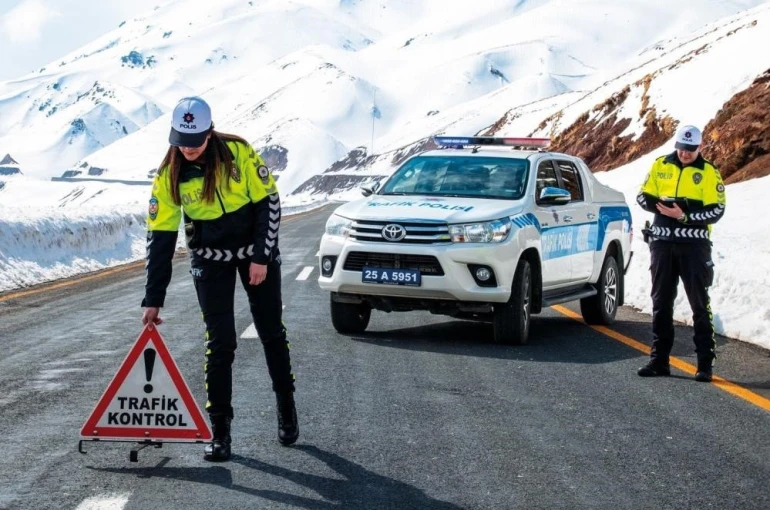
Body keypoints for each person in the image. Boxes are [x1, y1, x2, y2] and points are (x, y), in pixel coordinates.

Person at [140, 96, 298, 461]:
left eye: (195, 141)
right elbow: (160, 239)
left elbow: (269, 204)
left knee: (271, 331)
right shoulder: (169, 176)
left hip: (255, 254)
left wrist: (261, 256)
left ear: (210, 134)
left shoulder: (238, 153)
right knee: (220, 342)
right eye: (181, 140)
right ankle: (220, 432)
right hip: (209, 261)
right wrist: (153, 298)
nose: (189, 149)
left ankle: (286, 407)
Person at [635, 125, 726, 382]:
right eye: (682, 148)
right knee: (661, 302)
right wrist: (660, 207)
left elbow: (717, 210)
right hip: (662, 243)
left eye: (691, 149)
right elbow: (642, 196)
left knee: (699, 303)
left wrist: (684, 216)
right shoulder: (660, 164)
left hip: (694, 248)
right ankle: (659, 361)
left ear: (700, 147)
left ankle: (705, 365)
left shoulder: (709, 172)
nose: (685, 154)